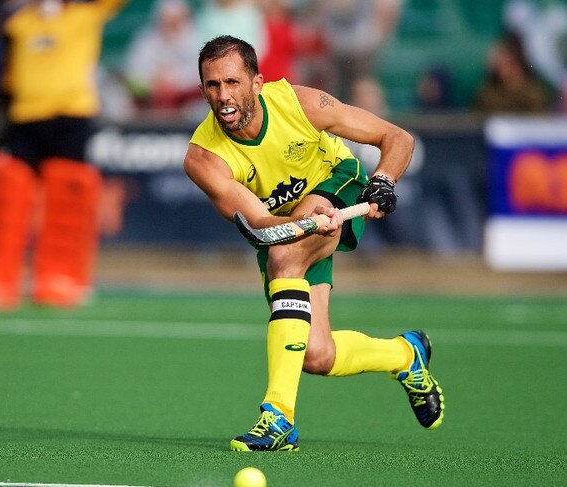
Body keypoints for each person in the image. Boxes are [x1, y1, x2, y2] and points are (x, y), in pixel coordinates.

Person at [184, 35, 445, 452]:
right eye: (212, 86)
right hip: (288, 224)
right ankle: (405, 355)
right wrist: (303, 225)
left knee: (284, 257)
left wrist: (383, 181)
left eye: (233, 82)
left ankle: (278, 417)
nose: (223, 96)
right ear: (202, 90)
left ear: (257, 82)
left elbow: (397, 138)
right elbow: (264, 223)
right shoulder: (203, 159)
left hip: (337, 181)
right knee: (316, 355)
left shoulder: (299, 104)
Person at [0, 0, 127, 309]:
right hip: (23, 118)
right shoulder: (19, 21)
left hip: (70, 117)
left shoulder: (85, 16)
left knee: (67, 199)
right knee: (5, 195)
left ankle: (61, 277)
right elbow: (3, 72)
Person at [121, 0, 201, 112]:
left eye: (175, 21)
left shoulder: (195, 40)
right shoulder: (146, 40)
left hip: (185, 101)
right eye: (167, 20)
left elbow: (199, 74)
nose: (170, 25)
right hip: (150, 98)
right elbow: (133, 71)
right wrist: (155, 81)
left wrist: (174, 80)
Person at [474, 32, 552, 114]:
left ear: (516, 63)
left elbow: (539, 122)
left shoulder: (533, 95)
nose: (497, 62)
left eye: (505, 60)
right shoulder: (488, 94)